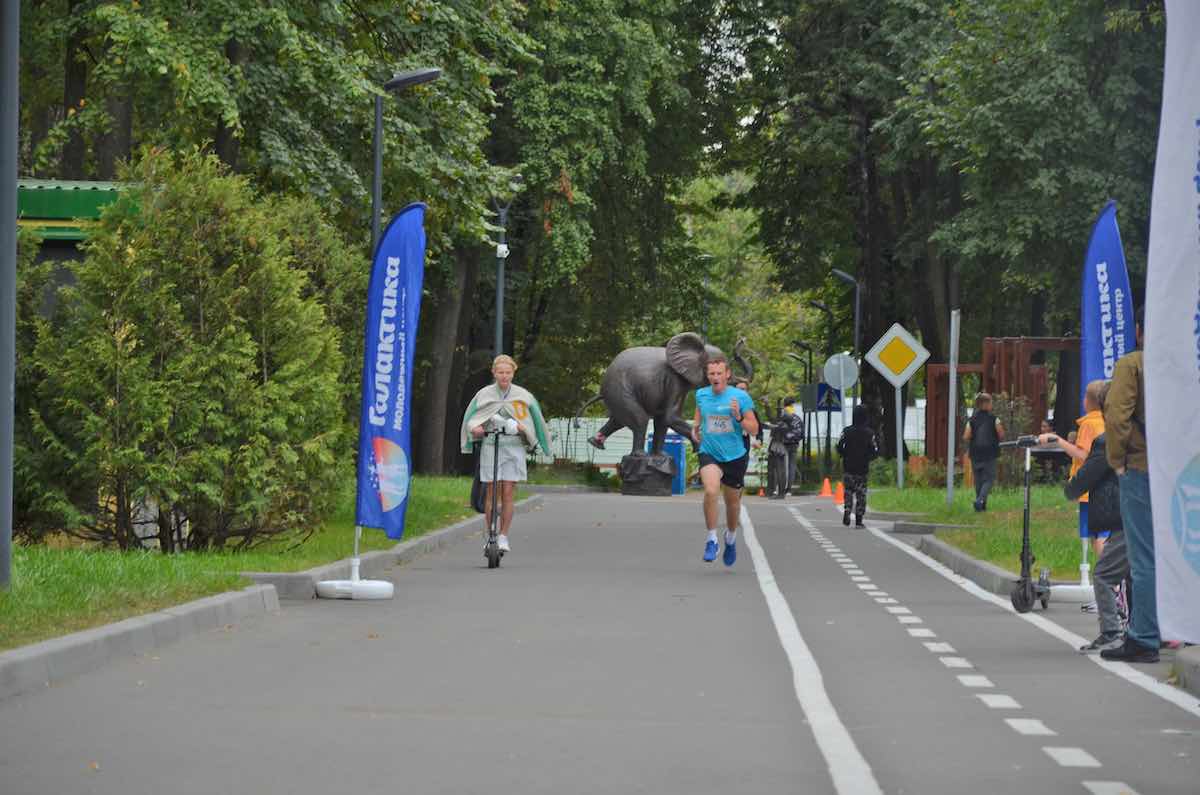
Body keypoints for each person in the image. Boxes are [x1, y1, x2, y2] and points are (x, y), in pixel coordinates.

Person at [1051, 385, 1129, 653]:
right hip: (1144, 513)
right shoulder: (1139, 436)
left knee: (1104, 574)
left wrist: (1070, 489)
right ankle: (1143, 632)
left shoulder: (1108, 440)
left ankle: (1112, 632)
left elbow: (1088, 473)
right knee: (1136, 575)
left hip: (1123, 515)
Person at [1101, 307, 1159, 663]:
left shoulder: (1133, 364)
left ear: (1139, 330)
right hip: (1181, 473)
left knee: (1144, 557)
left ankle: (1144, 637)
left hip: (1141, 467)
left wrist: (1117, 462)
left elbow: (1117, 416)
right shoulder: (1185, 364)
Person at [460, 355, 551, 555]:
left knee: (508, 492)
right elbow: (471, 418)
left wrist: (534, 438)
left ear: (513, 373)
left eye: (507, 372)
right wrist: (475, 429)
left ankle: (503, 536)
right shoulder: (484, 394)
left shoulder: (523, 395)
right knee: (491, 491)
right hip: (491, 445)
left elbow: (535, 421)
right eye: (500, 372)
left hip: (513, 447)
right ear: (494, 373)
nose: (504, 376)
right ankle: (491, 533)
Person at [692, 356, 759, 566]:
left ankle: (730, 538)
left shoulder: (740, 397)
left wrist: (738, 417)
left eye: (719, 373)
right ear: (707, 376)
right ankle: (712, 539)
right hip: (709, 452)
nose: (715, 377)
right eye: (711, 374)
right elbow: (699, 415)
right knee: (711, 491)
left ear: (727, 374)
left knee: (732, 503)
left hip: (735, 455)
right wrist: (695, 428)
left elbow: (754, 429)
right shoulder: (701, 394)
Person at [836, 404, 878, 527]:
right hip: (862, 468)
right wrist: (869, 458)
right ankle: (859, 520)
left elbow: (839, 445)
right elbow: (875, 449)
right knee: (861, 494)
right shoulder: (869, 433)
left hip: (848, 466)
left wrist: (843, 454)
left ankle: (847, 510)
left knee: (848, 491)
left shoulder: (846, 431)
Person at [963, 393, 1005, 511]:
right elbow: (1001, 434)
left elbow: (966, 436)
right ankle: (980, 500)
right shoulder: (994, 419)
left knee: (978, 481)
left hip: (975, 453)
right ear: (985, 404)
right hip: (990, 453)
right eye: (991, 402)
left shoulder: (972, 420)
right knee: (989, 479)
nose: (992, 405)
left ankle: (980, 507)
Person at [773, 397, 805, 498]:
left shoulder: (783, 414)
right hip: (794, 443)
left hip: (784, 443)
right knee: (792, 466)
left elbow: (778, 427)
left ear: (784, 404)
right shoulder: (797, 417)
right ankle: (789, 490)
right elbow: (802, 432)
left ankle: (779, 488)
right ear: (792, 404)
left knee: (782, 466)